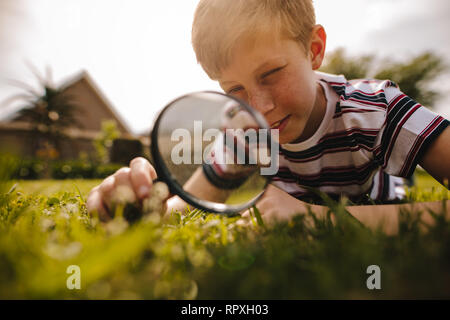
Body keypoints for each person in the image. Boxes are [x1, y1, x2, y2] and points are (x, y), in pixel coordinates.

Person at [87, 0, 450, 233]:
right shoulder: (243, 131)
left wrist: (319, 220)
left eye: (271, 73)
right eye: (235, 89)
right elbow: (189, 203)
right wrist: (133, 204)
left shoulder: (374, 109)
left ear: (314, 49)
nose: (257, 108)